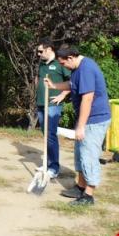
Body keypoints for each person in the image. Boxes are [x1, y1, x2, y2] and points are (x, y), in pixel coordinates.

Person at [44, 44, 111, 206]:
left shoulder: (86, 69)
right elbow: (71, 84)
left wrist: (80, 126)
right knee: (80, 154)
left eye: (63, 63)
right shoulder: (77, 70)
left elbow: (87, 99)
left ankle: (88, 195)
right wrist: (54, 86)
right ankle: (80, 187)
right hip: (86, 119)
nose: (63, 66)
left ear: (71, 58)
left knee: (89, 155)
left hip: (94, 119)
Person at [35, 37, 70, 178]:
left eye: (40, 51)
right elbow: (38, 78)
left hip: (53, 105)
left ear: (49, 49)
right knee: (45, 135)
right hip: (41, 103)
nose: (38, 54)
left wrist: (62, 96)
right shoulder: (42, 64)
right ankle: (47, 163)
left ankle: (54, 167)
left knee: (50, 135)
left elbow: (71, 82)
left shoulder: (60, 63)